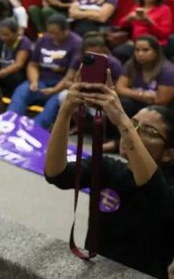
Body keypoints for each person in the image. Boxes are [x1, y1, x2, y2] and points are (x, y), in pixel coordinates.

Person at [44, 80, 174, 279]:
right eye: (134, 124)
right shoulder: (108, 169)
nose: (134, 132)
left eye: (148, 131)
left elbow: (155, 192)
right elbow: (55, 174)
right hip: (95, 271)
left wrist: (122, 120)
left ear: (168, 154)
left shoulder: (168, 190)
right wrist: (66, 110)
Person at [7, 14, 82, 129]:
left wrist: (55, 89)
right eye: (49, 32)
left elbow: (70, 75)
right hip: (42, 80)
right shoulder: (43, 39)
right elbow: (33, 64)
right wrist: (34, 81)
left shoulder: (76, 43)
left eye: (55, 33)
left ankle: (34, 129)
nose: (51, 36)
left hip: (61, 85)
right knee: (21, 91)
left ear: (66, 31)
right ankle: (10, 122)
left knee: (53, 105)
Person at [116, 35, 174, 120]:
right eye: (137, 50)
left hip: (159, 110)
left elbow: (161, 100)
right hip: (137, 104)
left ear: (156, 52)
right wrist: (142, 95)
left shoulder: (168, 70)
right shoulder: (131, 64)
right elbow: (120, 88)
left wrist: (131, 92)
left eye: (145, 50)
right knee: (123, 103)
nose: (140, 54)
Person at [114, 0, 173, 64]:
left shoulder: (164, 9)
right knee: (119, 52)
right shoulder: (137, 7)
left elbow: (164, 34)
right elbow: (121, 25)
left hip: (154, 44)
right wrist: (128, 18)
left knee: (133, 55)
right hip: (136, 43)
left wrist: (149, 21)